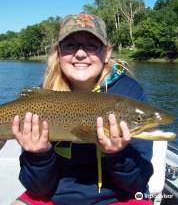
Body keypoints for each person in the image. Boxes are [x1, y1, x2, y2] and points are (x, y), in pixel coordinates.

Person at [11, 12, 153, 205]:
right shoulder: (41, 97)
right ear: (58, 52)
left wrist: (118, 155)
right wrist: (38, 155)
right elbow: (37, 189)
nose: (80, 53)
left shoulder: (130, 95)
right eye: (70, 45)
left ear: (107, 52)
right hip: (52, 196)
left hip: (118, 197)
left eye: (91, 45)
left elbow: (136, 185)